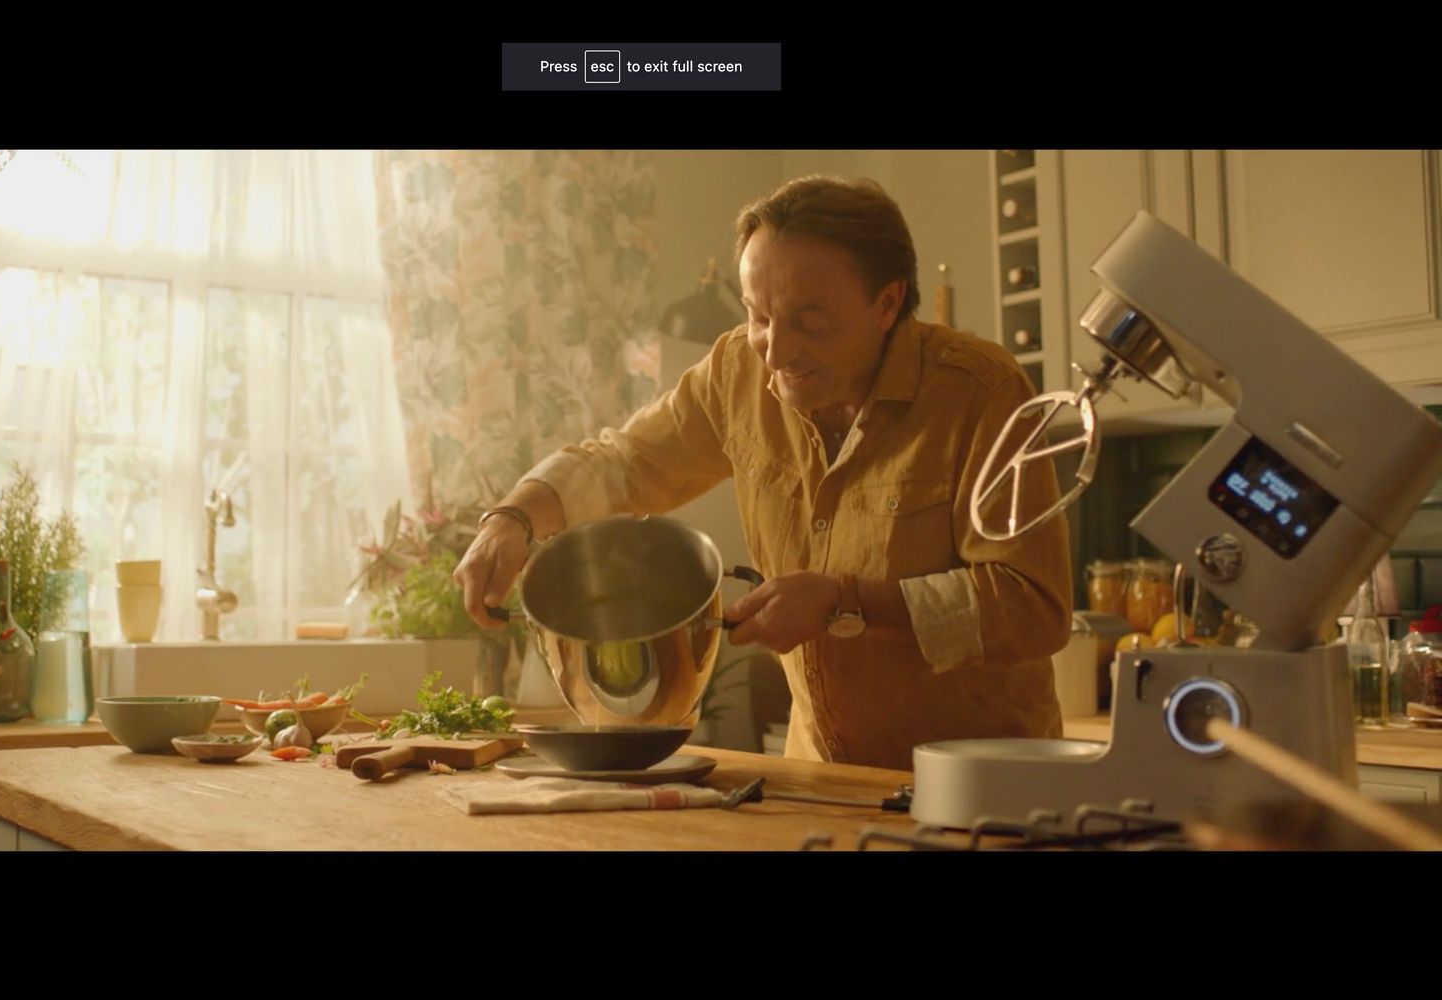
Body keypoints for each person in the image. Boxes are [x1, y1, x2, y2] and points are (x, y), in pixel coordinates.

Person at [454, 175, 1073, 769]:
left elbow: (1033, 607)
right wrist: (514, 516)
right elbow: (623, 460)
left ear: (887, 304)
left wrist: (846, 601)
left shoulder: (983, 393)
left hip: (982, 790)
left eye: (809, 322)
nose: (776, 352)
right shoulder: (734, 374)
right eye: (757, 316)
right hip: (821, 782)